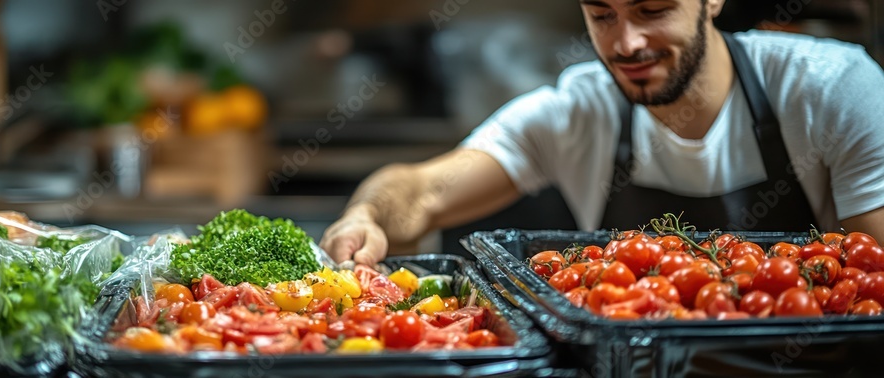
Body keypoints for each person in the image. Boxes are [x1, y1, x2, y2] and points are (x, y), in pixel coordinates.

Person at [320, 0, 884, 265]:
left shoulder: (830, 89)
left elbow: (871, 280)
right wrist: (365, 215)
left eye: (653, 10)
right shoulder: (577, 112)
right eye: (602, 15)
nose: (627, 43)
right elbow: (420, 190)